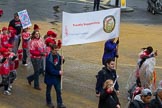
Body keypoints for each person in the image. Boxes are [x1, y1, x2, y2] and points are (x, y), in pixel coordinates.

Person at [44, 44, 66, 108]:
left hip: (57, 77)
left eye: (57, 50)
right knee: (48, 91)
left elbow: (60, 63)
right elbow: (50, 70)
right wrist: (58, 72)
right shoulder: (48, 58)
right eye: (55, 50)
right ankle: (49, 102)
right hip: (50, 77)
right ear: (52, 50)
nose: (56, 52)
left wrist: (63, 60)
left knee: (58, 91)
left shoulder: (58, 55)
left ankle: (60, 103)